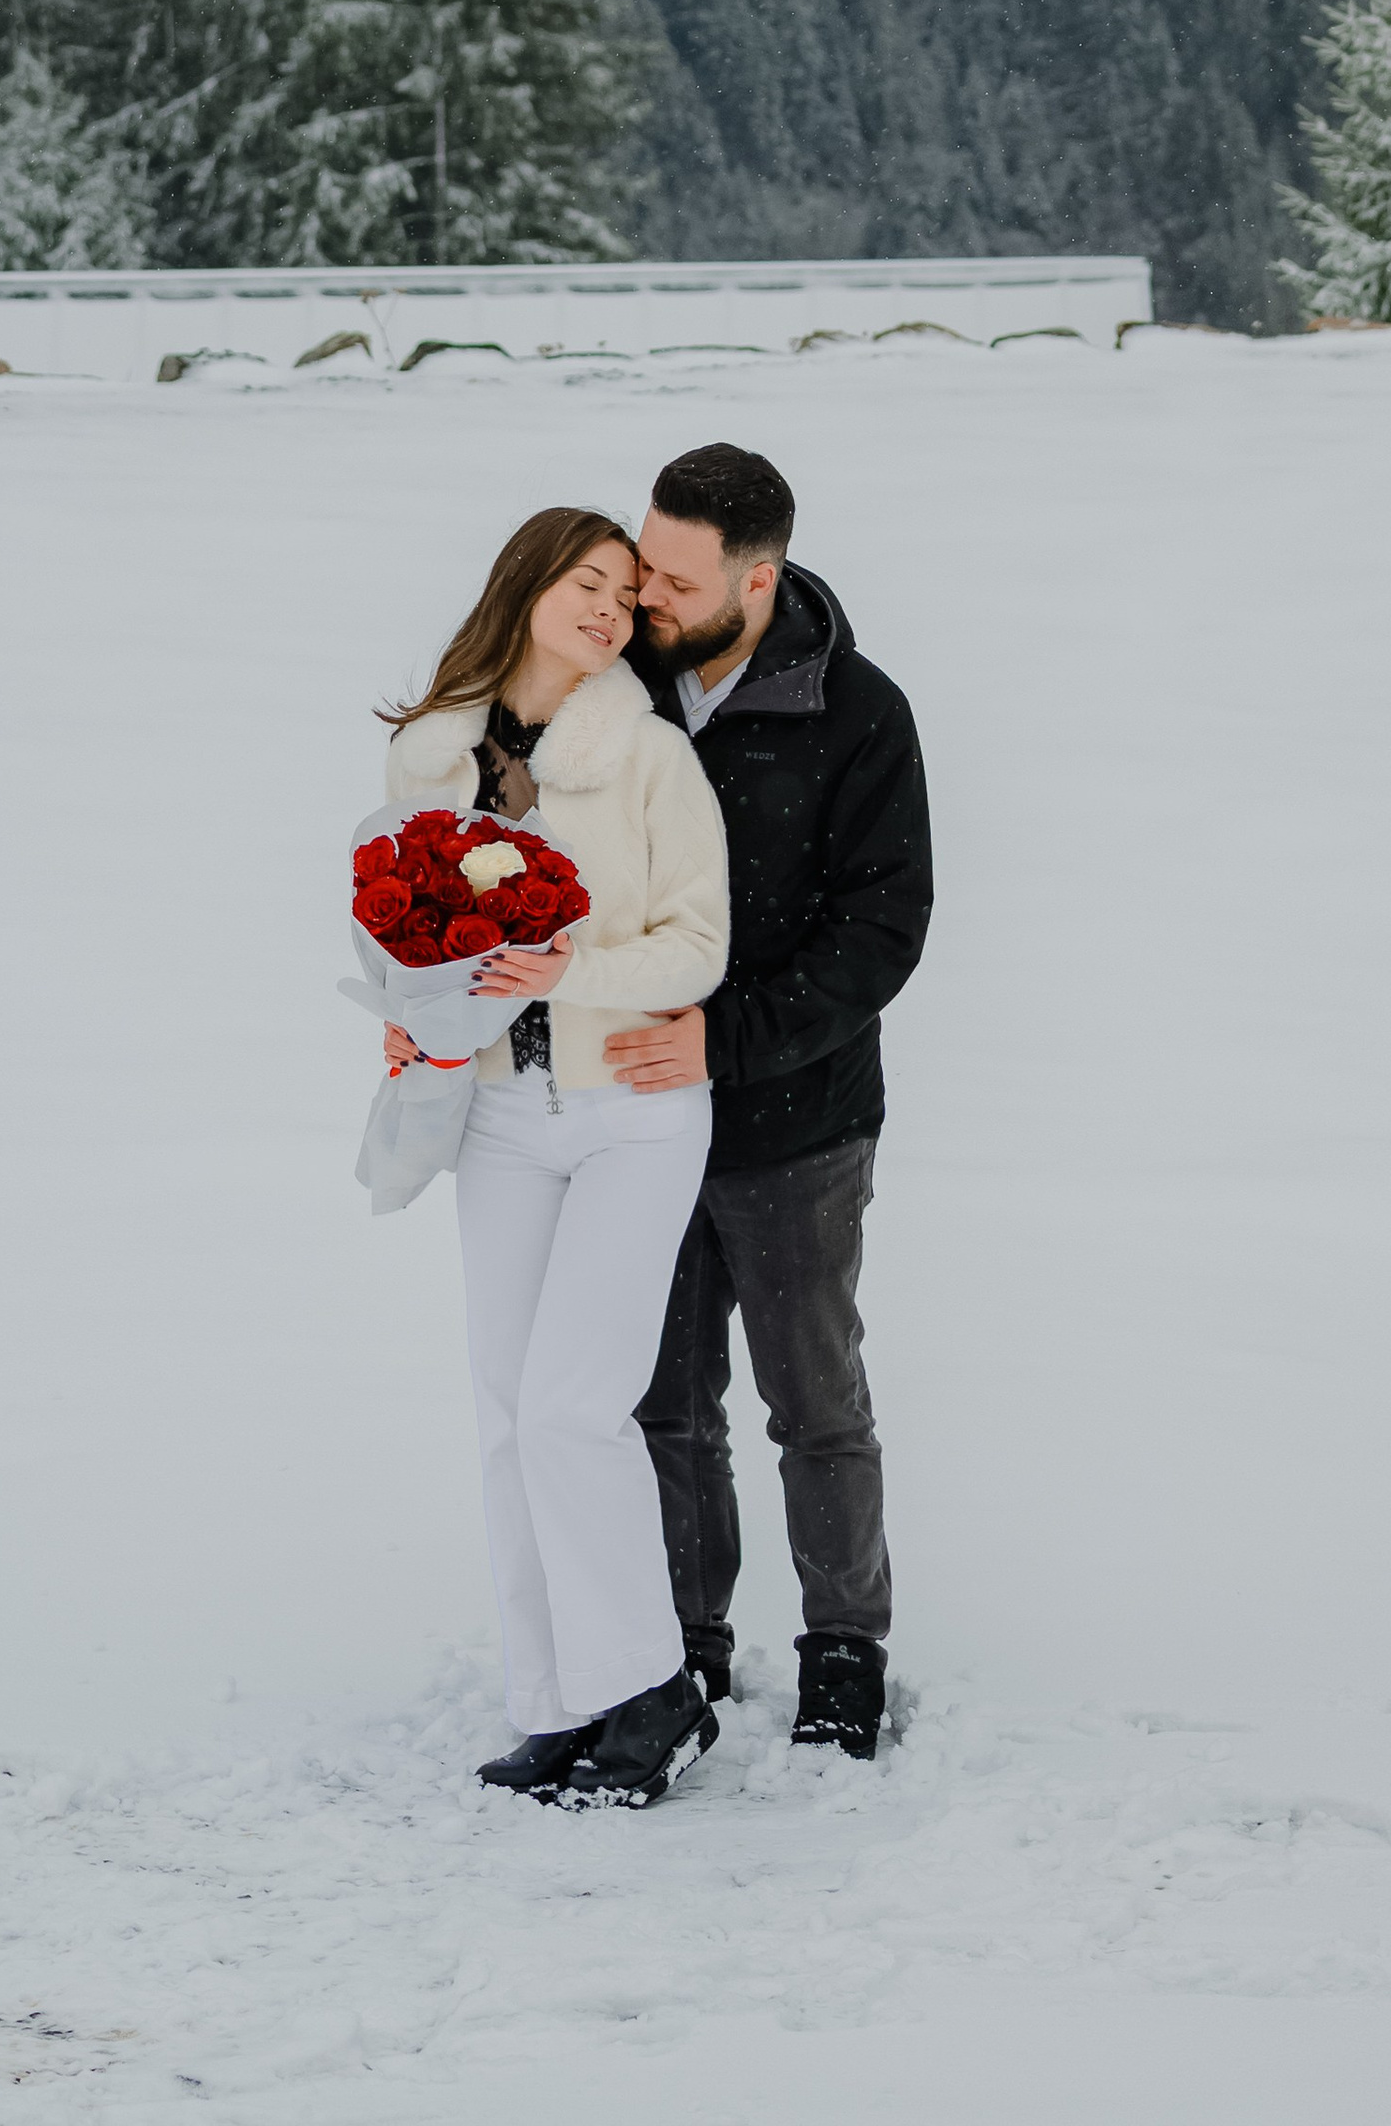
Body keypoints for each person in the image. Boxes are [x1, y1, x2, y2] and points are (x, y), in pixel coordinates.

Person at [379, 506, 731, 1806]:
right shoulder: (428, 760)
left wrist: (574, 964)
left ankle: (652, 1691)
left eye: (625, 597)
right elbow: (403, 931)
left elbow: (700, 945)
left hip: (632, 1111)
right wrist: (414, 1025)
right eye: (587, 582)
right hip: (497, 1115)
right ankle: (558, 1702)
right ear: (528, 585)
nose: (606, 608)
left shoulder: (647, 759)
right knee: (505, 1416)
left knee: (576, 1405)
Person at [609, 443, 932, 1763]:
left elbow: (881, 931)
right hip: (637, 1123)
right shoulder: (609, 692)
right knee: (664, 1400)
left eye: (676, 578)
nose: (644, 596)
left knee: (814, 1401)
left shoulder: (858, 713)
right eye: (642, 563)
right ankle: (685, 1636)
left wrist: (725, 1040)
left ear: (763, 575)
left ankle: (844, 1646)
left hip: (797, 1128)